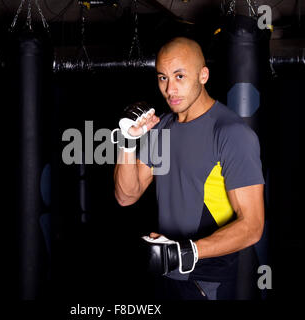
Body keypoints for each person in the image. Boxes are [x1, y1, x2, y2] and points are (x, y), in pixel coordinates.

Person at [113, 37, 265, 300]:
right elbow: (127, 195)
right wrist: (126, 143)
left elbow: (252, 226)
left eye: (180, 76)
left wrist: (187, 251)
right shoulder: (162, 128)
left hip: (212, 281)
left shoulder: (231, 133)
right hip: (168, 275)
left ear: (203, 75)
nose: (170, 89)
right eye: (163, 78)